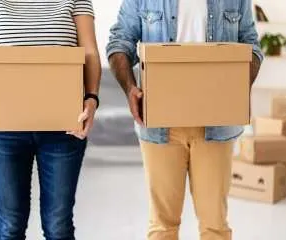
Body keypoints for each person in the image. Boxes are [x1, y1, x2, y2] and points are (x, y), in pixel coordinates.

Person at [107, 0, 263, 239]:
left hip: (216, 124)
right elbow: (120, 43)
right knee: (162, 226)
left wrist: (240, 88)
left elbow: (251, 45)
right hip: (160, 124)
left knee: (215, 226)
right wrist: (130, 88)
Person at [0, 0, 101, 239]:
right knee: (9, 225)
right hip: (3, 129)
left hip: (64, 128)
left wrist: (91, 98)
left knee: (59, 226)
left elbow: (89, 51)